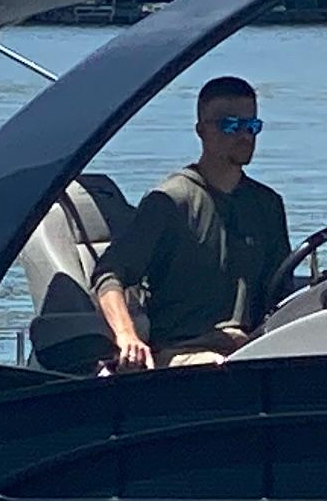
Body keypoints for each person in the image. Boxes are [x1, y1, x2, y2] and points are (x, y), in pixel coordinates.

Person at [93, 74, 293, 369]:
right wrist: (126, 336)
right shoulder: (170, 201)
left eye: (252, 126)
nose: (244, 136)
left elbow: (281, 286)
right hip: (184, 352)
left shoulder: (267, 203)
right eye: (230, 126)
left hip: (255, 346)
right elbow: (108, 276)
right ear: (202, 131)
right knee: (218, 367)